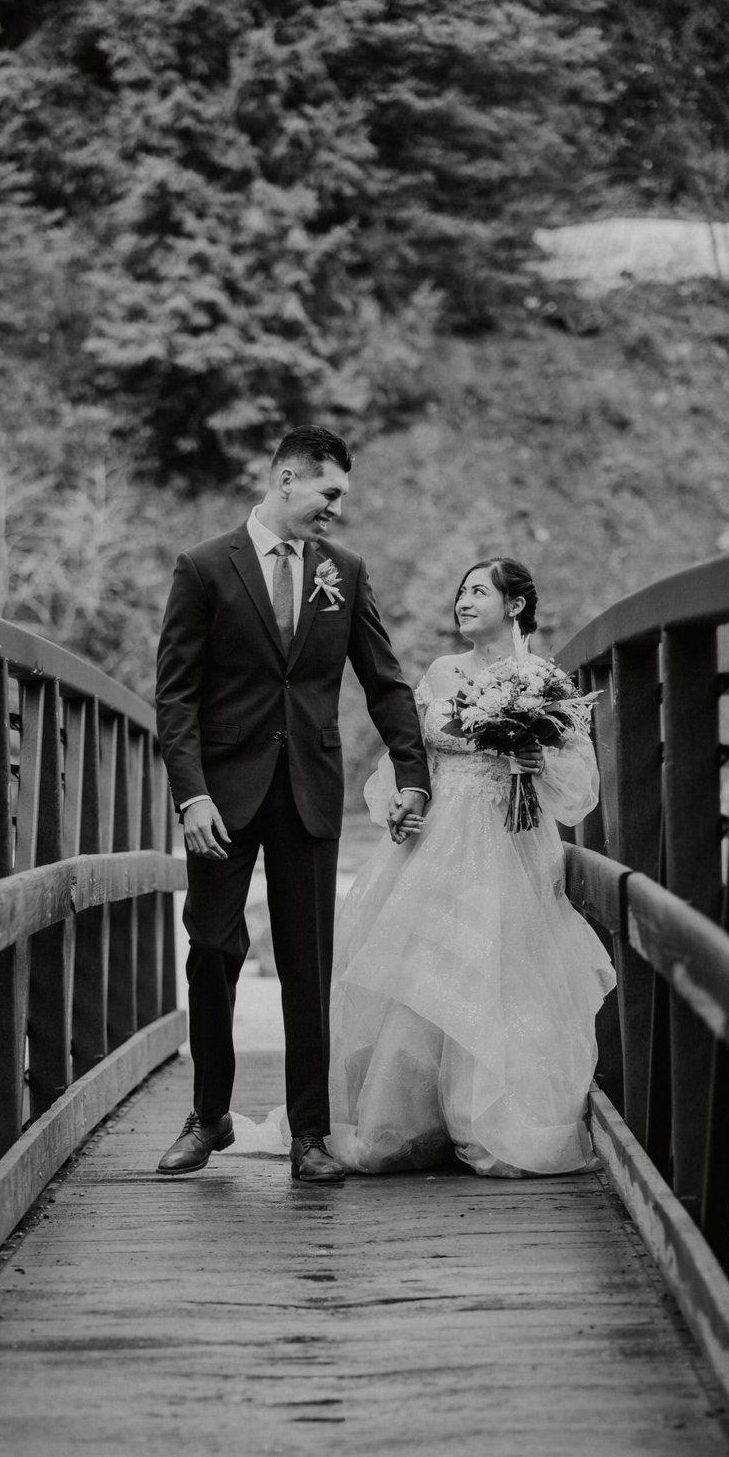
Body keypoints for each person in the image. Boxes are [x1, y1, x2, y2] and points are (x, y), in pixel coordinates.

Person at [154, 425, 431, 1182]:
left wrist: (413, 772)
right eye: (328, 493)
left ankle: (309, 1134)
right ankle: (209, 1116)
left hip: (310, 790)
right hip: (223, 796)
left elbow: (384, 680)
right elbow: (174, 697)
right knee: (211, 948)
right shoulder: (205, 568)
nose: (337, 510)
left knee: (308, 963)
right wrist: (191, 795)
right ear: (285, 481)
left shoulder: (343, 571)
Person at [325, 557, 616, 1176]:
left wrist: (536, 761)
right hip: (438, 839)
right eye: (460, 591)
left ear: (514, 606)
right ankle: (411, 1121)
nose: (463, 601)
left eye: (478, 592)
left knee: (503, 969)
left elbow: (578, 786)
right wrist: (404, 801)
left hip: (510, 843)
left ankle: (490, 1123)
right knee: (425, 967)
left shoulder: (544, 680)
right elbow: (412, 755)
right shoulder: (442, 671)